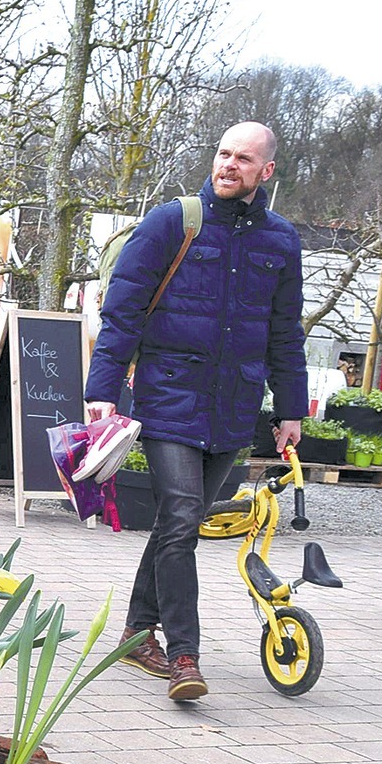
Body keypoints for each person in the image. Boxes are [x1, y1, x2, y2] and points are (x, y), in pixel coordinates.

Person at [85, 121, 307, 703]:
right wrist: (101, 388)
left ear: (267, 171)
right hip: (168, 395)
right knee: (183, 517)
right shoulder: (173, 222)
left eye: (244, 159)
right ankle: (185, 653)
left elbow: (285, 333)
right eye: (223, 154)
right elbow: (123, 311)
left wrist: (290, 407)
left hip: (233, 406)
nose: (229, 165)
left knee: (174, 526)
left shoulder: (280, 241)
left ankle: (136, 631)